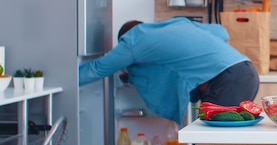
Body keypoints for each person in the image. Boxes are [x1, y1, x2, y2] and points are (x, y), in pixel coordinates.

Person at [79, 17, 260, 126]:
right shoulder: (174, 25)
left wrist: (63, 78)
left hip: (228, 81)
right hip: (246, 71)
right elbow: (222, 33)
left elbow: (97, 69)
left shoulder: (132, 42)